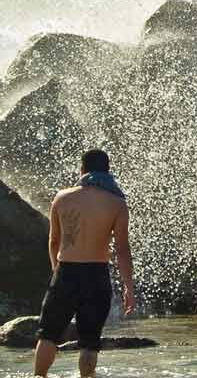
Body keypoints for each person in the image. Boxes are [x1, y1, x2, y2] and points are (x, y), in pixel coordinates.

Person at [34, 149, 136, 378]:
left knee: (48, 334)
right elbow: (122, 249)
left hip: (66, 271)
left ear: (82, 169)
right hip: (96, 275)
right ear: (108, 171)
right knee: (90, 342)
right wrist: (128, 286)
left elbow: (54, 241)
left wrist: (56, 271)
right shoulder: (117, 203)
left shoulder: (62, 197)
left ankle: (39, 376)